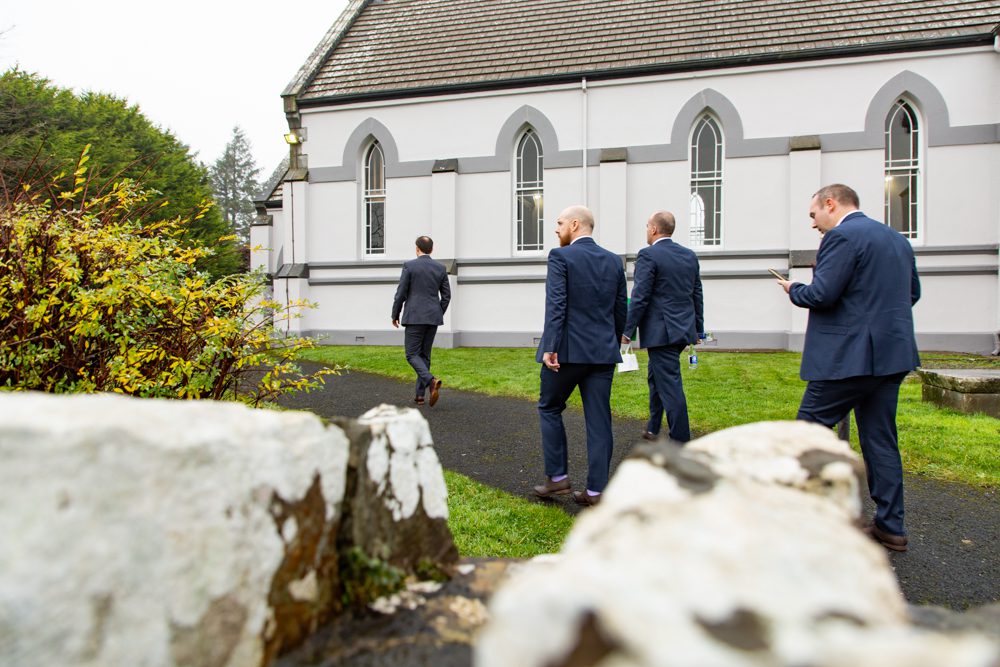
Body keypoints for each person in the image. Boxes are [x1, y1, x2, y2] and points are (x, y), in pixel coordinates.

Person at [775, 184, 920, 552]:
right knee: (881, 440)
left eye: (813, 215)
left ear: (831, 204)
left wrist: (794, 288)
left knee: (806, 433)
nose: (813, 223)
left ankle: (796, 517)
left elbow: (822, 295)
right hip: (891, 356)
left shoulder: (840, 238)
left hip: (847, 358)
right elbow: (912, 293)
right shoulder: (897, 240)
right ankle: (891, 526)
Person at [533, 205, 628, 506]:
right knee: (599, 421)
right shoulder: (614, 261)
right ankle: (596, 491)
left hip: (566, 353)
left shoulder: (560, 256)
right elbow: (620, 309)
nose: (556, 228)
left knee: (549, 407)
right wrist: (612, 343)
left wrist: (550, 347)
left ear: (575, 224)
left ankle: (558, 477)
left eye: (559, 223)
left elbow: (556, 304)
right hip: (603, 354)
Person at [621, 211, 704, 443]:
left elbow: (640, 296)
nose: (646, 230)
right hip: (682, 330)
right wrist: (698, 329)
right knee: (656, 378)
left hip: (661, 333)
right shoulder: (689, 255)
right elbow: (697, 293)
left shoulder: (648, 255)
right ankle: (653, 427)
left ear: (654, 229)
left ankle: (681, 439)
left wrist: (627, 330)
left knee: (670, 386)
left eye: (647, 226)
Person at [391, 235, 451, 406]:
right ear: (431, 249)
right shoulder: (440, 268)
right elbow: (446, 296)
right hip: (432, 317)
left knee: (411, 354)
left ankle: (431, 381)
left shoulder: (409, 266)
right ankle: (420, 395)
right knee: (424, 355)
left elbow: (401, 293)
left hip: (414, 317)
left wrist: (395, 314)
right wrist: (437, 312)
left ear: (417, 248)